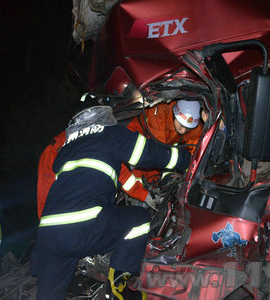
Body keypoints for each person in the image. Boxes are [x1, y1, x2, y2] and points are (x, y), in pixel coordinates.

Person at [31, 93, 191, 300]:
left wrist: (146, 195)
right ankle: (120, 288)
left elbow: (121, 175)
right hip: (82, 226)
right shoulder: (111, 135)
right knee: (138, 220)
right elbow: (152, 153)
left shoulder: (66, 149)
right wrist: (188, 159)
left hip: (48, 235)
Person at [119, 100, 204, 207]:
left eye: (187, 128)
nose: (183, 130)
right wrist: (144, 196)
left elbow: (196, 150)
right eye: (181, 125)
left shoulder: (192, 127)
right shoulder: (158, 116)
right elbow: (158, 155)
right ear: (174, 114)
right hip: (139, 149)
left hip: (152, 159)